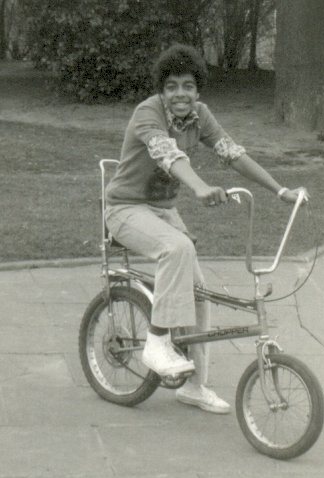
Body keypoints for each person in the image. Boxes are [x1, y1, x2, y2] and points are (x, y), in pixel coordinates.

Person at [105, 44, 307, 415]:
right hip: (125, 208)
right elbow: (169, 155)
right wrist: (198, 187)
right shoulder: (147, 113)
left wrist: (280, 190)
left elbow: (233, 153)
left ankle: (195, 387)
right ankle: (157, 342)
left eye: (187, 85)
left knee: (199, 294)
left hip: (163, 211)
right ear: (161, 91)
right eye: (171, 86)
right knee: (177, 249)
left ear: (198, 90)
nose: (180, 94)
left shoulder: (200, 116)